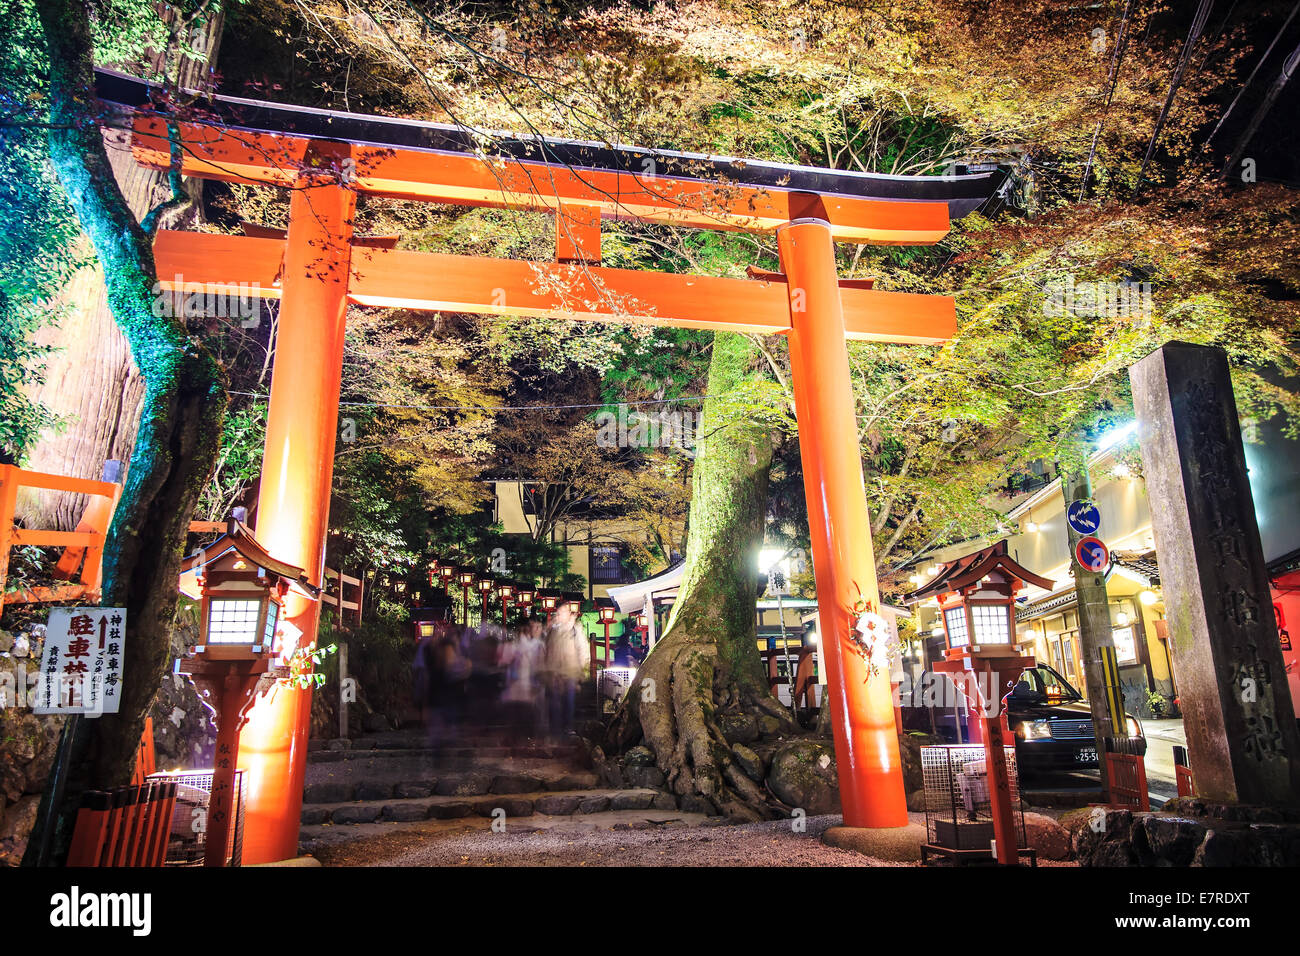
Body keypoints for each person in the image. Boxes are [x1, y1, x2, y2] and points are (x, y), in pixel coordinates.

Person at [542, 604, 588, 741]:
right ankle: (555, 730)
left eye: (562, 612)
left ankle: (568, 728)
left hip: (570, 671)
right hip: (555, 672)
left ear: (569, 614)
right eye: (558, 612)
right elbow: (547, 650)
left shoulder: (575, 629)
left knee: (568, 701)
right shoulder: (553, 630)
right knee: (555, 701)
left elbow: (583, 651)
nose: (559, 615)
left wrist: (581, 672)